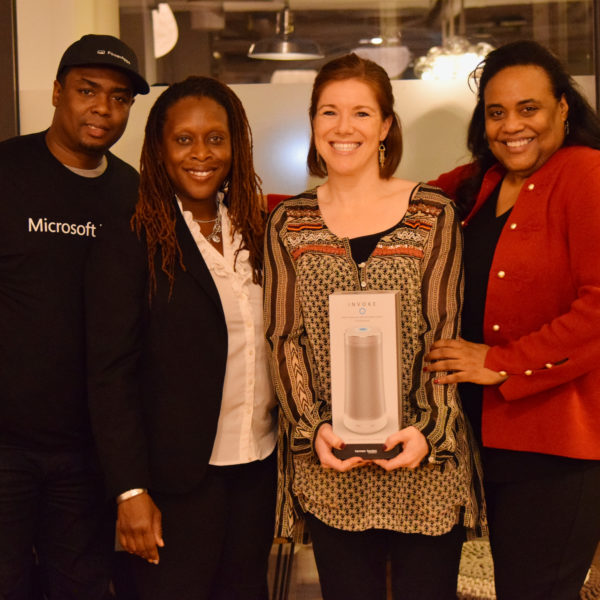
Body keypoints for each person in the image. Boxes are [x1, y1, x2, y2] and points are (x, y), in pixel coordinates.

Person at [263, 53, 485, 600]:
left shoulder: (433, 212)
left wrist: (427, 432)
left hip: (424, 464)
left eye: (361, 113)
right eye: (328, 112)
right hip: (330, 464)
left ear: (386, 125)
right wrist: (312, 427)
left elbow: (443, 333)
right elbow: (284, 336)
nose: (344, 128)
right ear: (312, 124)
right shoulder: (289, 222)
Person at [86, 76, 277, 600]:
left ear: (235, 144)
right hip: (170, 485)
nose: (201, 153)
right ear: (160, 148)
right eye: (184, 139)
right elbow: (110, 374)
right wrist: (130, 490)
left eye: (215, 138)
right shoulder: (132, 234)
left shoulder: (257, 231)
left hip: (256, 470)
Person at [426, 40, 600, 600]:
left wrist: (501, 363)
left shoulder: (586, 173)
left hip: (556, 447)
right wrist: (278, 211)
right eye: (497, 112)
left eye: (530, 108)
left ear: (563, 108)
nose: (511, 126)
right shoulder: (481, 182)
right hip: (487, 438)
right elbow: (383, 205)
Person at [0, 34, 148, 599]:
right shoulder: (7, 171)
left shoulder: (132, 194)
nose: (103, 109)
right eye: (88, 91)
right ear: (58, 92)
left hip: (87, 450)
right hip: (4, 444)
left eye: (118, 98)